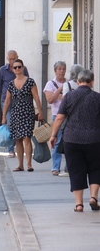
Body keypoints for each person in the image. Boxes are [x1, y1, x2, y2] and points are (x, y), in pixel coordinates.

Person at [50, 69, 100, 212]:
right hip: (94, 140)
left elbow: (59, 118)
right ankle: (93, 198)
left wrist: (53, 135)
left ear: (78, 82)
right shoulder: (98, 97)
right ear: (92, 82)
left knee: (76, 170)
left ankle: (79, 204)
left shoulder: (69, 97)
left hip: (72, 140)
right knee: (96, 168)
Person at [2, 59, 43, 172]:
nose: (17, 69)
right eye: (15, 67)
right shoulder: (11, 84)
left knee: (27, 138)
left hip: (28, 113)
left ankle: (29, 164)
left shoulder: (30, 82)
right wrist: (4, 116)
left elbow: (37, 98)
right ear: (13, 70)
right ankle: (20, 165)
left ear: (23, 68)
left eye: (19, 67)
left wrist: (41, 112)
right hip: (15, 113)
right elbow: (7, 101)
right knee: (18, 139)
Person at [0, 50, 29, 158]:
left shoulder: (23, 69)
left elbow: (28, 83)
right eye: (10, 59)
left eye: (14, 58)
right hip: (6, 100)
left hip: (19, 101)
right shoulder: (2, 70)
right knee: (10, 124)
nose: (12, 61)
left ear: (17, 57)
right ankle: (11, 149)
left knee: (18, 124)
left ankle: (16, 147)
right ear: (7, 59)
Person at [57, 64, 85, 177]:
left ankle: (68, 169)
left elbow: (66, 101)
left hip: (69, 118)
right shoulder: (84, 85)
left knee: (68, 144)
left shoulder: (67, 85)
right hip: (83, 117)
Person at [43, 61, 67, 176]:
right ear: (55, 71)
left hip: (69, 116)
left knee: (69, 141)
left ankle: (69, 167)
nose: (62, 71)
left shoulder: (70, 83)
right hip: (57, 115)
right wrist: (59, 90)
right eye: (59, 69)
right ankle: (55, 167)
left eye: (63, 69)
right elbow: (50, 100)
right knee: (57, 141)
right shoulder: (50, 84)